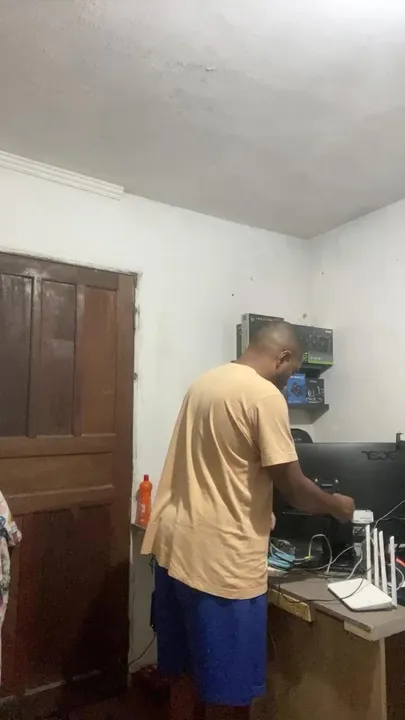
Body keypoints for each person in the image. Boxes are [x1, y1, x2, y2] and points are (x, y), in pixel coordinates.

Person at [141, 321, 355, 720]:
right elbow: (294, 488)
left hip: (173, 549)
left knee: (183, 677)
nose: (288, 382)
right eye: (291, 373)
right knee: (230, 693)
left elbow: (220, 467)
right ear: (283, 358)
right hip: (220, 564)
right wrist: (337, 506)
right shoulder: (263, 395)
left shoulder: (204, 383)